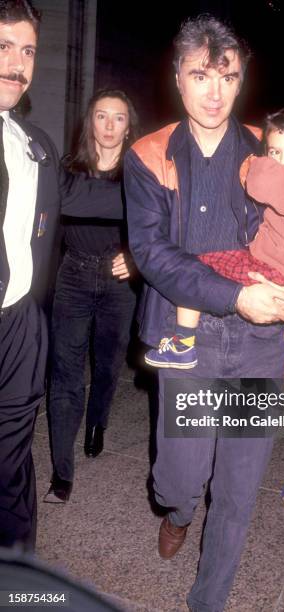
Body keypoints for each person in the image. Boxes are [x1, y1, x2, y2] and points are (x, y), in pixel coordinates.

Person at [124, 15, 284, 612]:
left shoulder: (271, 152)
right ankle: (176, 512)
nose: (214, 92)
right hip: (183, 340)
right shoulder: (149, 154)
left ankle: (208, 601)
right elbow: (150, 252)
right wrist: (233, 292)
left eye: (227, 76)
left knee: (239, 491)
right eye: (200, 75)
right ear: (177, 78)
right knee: (181, 479)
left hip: (257, 342)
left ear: (241, 80)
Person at [0, 0, 125, 550]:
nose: (17, 63)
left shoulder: (37, 145)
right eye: (3, 46)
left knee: (12, 455)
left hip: (21, 324)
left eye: (27, 50)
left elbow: (95, 197)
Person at [145, 105, 284, 369]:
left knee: (199, 264)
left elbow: (257, 181)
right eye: (275, 152)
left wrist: (262, 162)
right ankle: (283, 329)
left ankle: (183, 344)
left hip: (272, 269)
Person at [43, 90, 140, 504]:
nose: (109, 125)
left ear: (128, 126)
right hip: (74, 277)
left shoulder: (141, 176)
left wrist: (136, 258)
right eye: (102, 116)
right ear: (91, 122)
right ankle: (61, 473)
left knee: (107, 366)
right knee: (65, 376)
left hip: (120, 286)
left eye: (118, 118)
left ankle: (98, 421)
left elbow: (159, 227)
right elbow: (51, 226)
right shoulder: (68, 170)